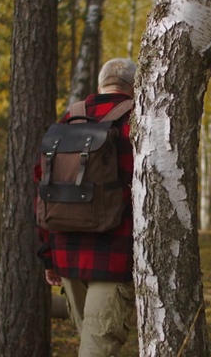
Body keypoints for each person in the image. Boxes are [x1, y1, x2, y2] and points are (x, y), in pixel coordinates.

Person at [36, 58, 136, 357]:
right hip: (114, 255)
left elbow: (43, 190)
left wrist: (48, 255)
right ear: (135, 86)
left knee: (92, 343)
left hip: (67, 252)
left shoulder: (70, 118)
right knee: (96, 348)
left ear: (100, 84)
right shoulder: (138, 121)